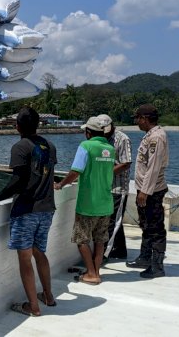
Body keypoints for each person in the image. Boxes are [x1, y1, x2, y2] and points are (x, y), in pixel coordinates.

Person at [0, 107, 58, 317]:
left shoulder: (20, 147)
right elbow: (47, 176)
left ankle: (33, 306)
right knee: (40, 252)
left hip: (26, 209)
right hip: (47, 208)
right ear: (38, 125)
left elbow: (19, 180)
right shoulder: (50, 145)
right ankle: (48, 296)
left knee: (25, 258)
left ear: (17, 126)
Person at [54, 116, 115, 285]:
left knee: (81, 239)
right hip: (106, 202)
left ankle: (91, 273)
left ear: (88, 132)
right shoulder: (110, 149)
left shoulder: (86, 146)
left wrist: (60, 184)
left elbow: (75, 171)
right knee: (100, 239)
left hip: (88, 203)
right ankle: (96, 272)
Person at [126, 104, 169, 278]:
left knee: (155, 228)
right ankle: (145, 258)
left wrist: (145, 191)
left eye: (137, 118)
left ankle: (157, 267)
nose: (137, 122)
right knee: (146, 225)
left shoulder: (157, 137)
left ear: (144, 118)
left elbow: (154, 167)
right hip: (144, 189)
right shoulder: (149, 136)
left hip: (151, 191)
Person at [96, 114, 132, 260]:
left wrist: (105, 173)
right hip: (104, 187)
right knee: (115, 220)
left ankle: (104, 253)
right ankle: (120, 250)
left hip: (118, 187)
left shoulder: (122, 139)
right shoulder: (100, 138)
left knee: (111, 221)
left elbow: (126, 163)